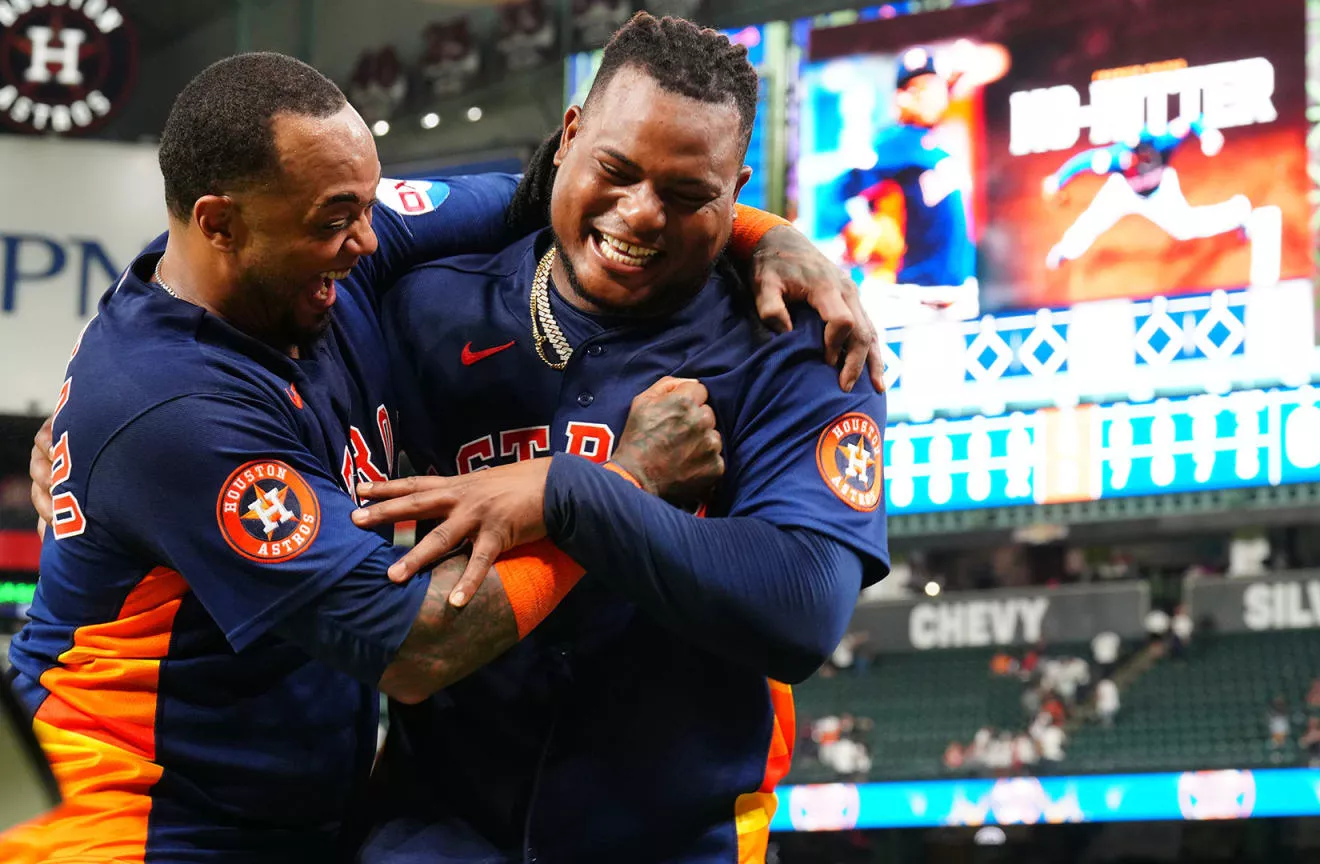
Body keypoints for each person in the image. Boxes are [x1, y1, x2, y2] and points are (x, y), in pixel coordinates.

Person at [8, 51, 879, 862]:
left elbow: (551, 188)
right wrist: (610, 485)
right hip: (129, 819)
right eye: (335, 221)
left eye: (366, 206)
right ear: (221, 225)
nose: (369, 237)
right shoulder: (179, 408)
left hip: (300, 817)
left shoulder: (337, 267)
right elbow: (414, 650)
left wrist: (764, 233)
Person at [343, 16, 887, 862]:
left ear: (735, 191)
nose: (640, 215)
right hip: (437, 829)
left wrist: (567, 493)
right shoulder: (424, 305)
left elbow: (805, 607)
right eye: (616, 170)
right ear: (568, 137)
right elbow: (231, 279)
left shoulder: (796, 342)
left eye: (687, 195)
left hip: (680, 839)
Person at [832, 44, 1005, 326]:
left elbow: (995, 60)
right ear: (901, 97)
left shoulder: (940, 142)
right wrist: (858, 229)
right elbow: (836, 197)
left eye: (933, 87)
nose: (928, 97)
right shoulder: (891, 144)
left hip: (956, 298)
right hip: (914, 301)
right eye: (917, 89)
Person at [1042, 116, 1254, 270]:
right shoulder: (1116, 158)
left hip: (1160, 191)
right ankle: (1065, 250)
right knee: (1094, 219)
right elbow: (1083, 161)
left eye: (1142, 151)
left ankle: (1239, 211)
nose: (1138, 157)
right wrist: (1058, 179)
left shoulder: (1165, 142)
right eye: (1134, 152)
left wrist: (1207, 132)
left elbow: (1191, 120)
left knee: (1185, 228)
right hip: (1124, 192)